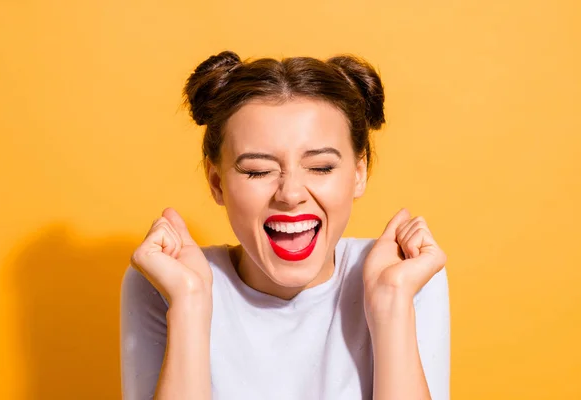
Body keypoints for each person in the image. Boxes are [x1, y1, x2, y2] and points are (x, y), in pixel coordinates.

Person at [120, 50, 450, 400]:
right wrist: (188, 305)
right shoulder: (168, 281)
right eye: (257, 171)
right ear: (217, 183)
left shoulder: (404, 274)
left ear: (358, 173)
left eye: (321, 167)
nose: (290, 194)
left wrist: (391, 303)